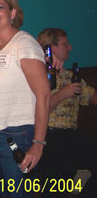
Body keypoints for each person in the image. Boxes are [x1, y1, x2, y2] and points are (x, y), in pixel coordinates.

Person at [0, 0, 50, 198]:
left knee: (18, 194)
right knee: (5, 191)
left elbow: (43, 96)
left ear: (13, 12)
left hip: (17, 133)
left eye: (0, 7)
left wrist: (38, 143)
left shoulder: (24, 43)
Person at [36, 28, 97, 197]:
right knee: (61, 171)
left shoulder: (70, 76)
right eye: (65, 44)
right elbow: (36, 114)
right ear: (51, 48)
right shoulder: (37, 75)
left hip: (72, 134)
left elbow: (92, 96)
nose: (70, 48)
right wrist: (63, 94)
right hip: (47, 134)